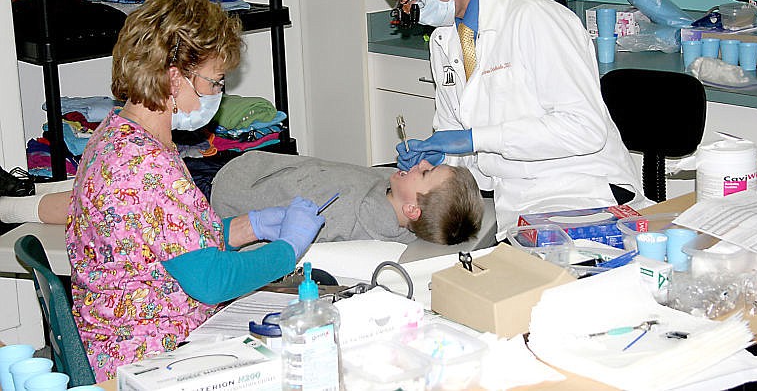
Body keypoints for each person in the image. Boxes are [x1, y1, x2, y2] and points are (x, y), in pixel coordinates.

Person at [63, 0, 324, 381]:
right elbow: (210, 281)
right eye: (215, 82)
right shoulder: (145, 164)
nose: (218, 94)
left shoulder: (119, 133)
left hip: (125, 343)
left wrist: (249, 225)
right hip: (148, 360)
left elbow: (164, 243)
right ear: (173, 78)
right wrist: (287, 252)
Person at [372, 0, 645, 239]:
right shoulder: (443, 42)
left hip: (587, 192)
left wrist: (475, 139)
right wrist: (443, 157)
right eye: (403, 4)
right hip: (519, 206)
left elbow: (585, 130)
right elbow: (477, 165)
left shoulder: (534, 19)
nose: (411, 11)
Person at [1, 150, 485, 246]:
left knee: (119, 192)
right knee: (115, 173)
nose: (418, 164)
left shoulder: (350, 210)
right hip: (238, 175)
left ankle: (11, 208)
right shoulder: (384, 200)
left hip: (221, 191)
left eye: (424, 172)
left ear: (413, 209)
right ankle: (30, 188)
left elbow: (279, 215)